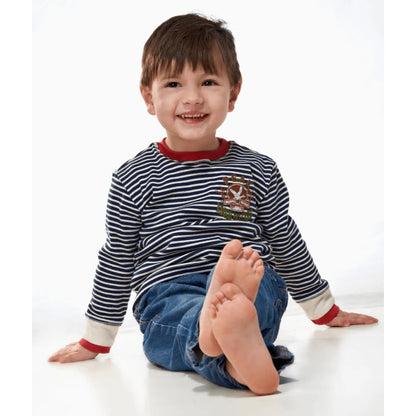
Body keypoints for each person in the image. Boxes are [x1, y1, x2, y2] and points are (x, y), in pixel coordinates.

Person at [49, 13, 378, 395]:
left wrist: (325, 309)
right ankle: (228, 349)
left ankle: (224, 335)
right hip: (167, 289)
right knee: (175, 320)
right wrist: (96, 337)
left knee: (256, 295)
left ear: (233, 94)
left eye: (208, 82)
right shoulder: (133, 177)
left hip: (249, 279)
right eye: (174, 83)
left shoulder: (255, 168)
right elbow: (118, 256)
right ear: (149, 97)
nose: (192, 97)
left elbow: (285, 239)